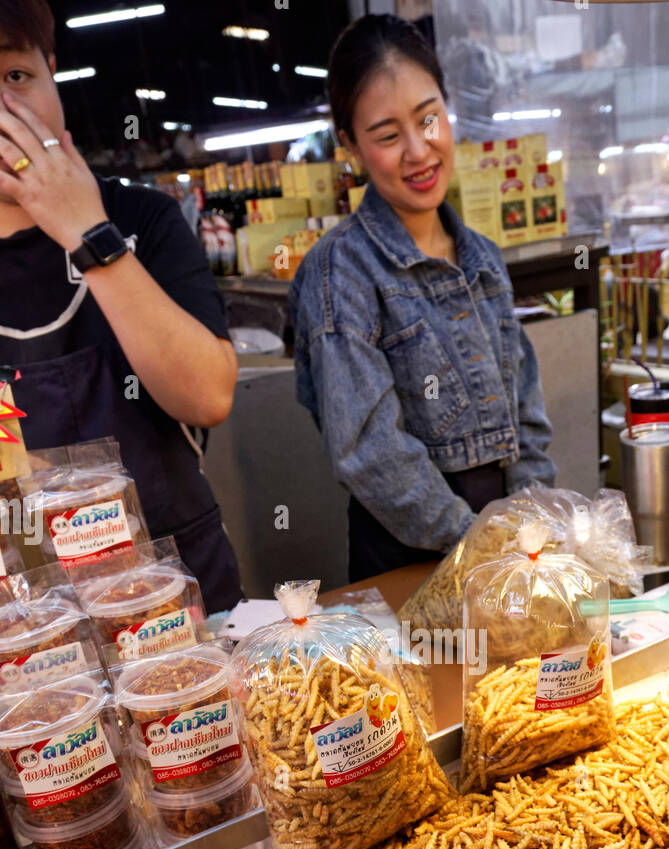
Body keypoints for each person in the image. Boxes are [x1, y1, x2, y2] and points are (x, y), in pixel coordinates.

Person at [290, 13, 555, 582]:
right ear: (352, 148)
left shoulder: (481, 254)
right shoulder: (340, 271)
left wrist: (533, 528)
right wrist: (479, 545)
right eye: (387, 136)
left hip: (508, 550)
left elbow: (527, 416)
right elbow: (369, 449)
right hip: (411, 560)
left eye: (429, 118)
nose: (418, 150)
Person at [0, 0, 243, 613]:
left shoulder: (143, 220)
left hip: (185, 606)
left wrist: (89, 235)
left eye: (15, 77)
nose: (3, 112)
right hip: (31, 635)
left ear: (53, 73)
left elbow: (208, 395)